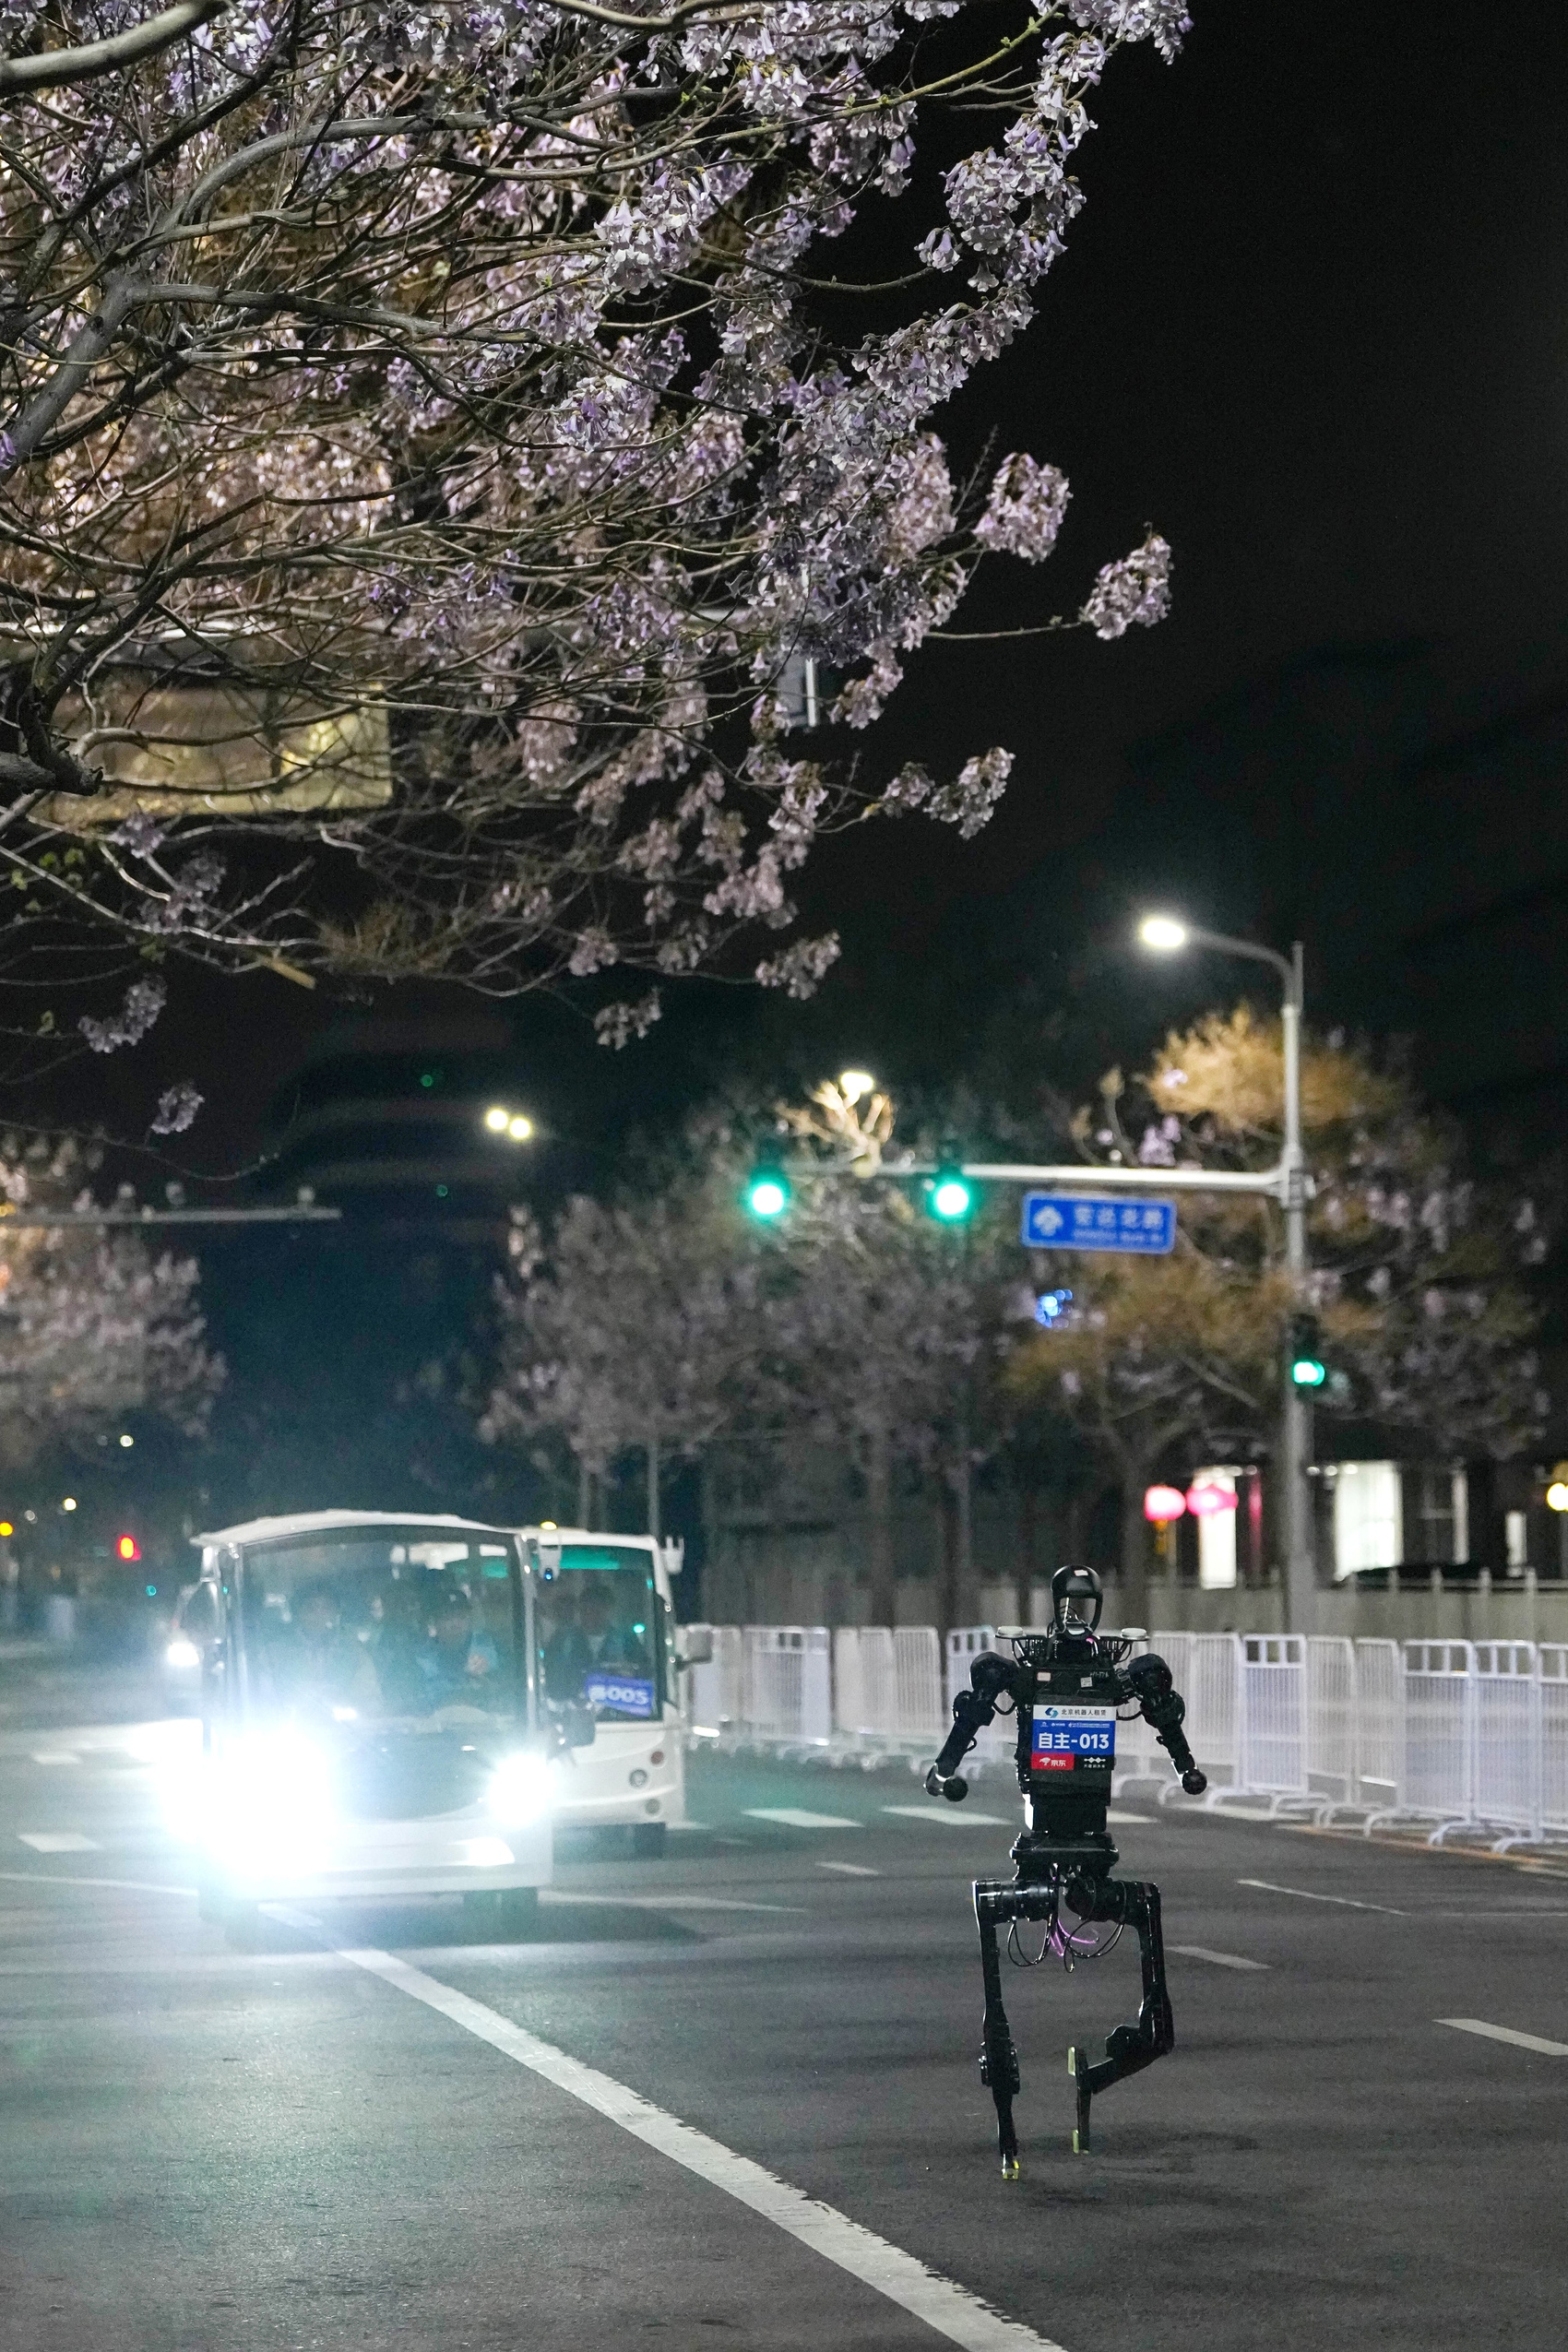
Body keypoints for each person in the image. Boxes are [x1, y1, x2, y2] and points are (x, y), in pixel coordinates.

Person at [413, 1582, 500, 1710]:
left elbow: (503, 1695)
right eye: (448, 1618)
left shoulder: (488, 1649)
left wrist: (486, 1678)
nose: (455, 1624)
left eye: (461, 1617)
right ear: (435, 1623)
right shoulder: (421, 1659)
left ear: (470, 1620)